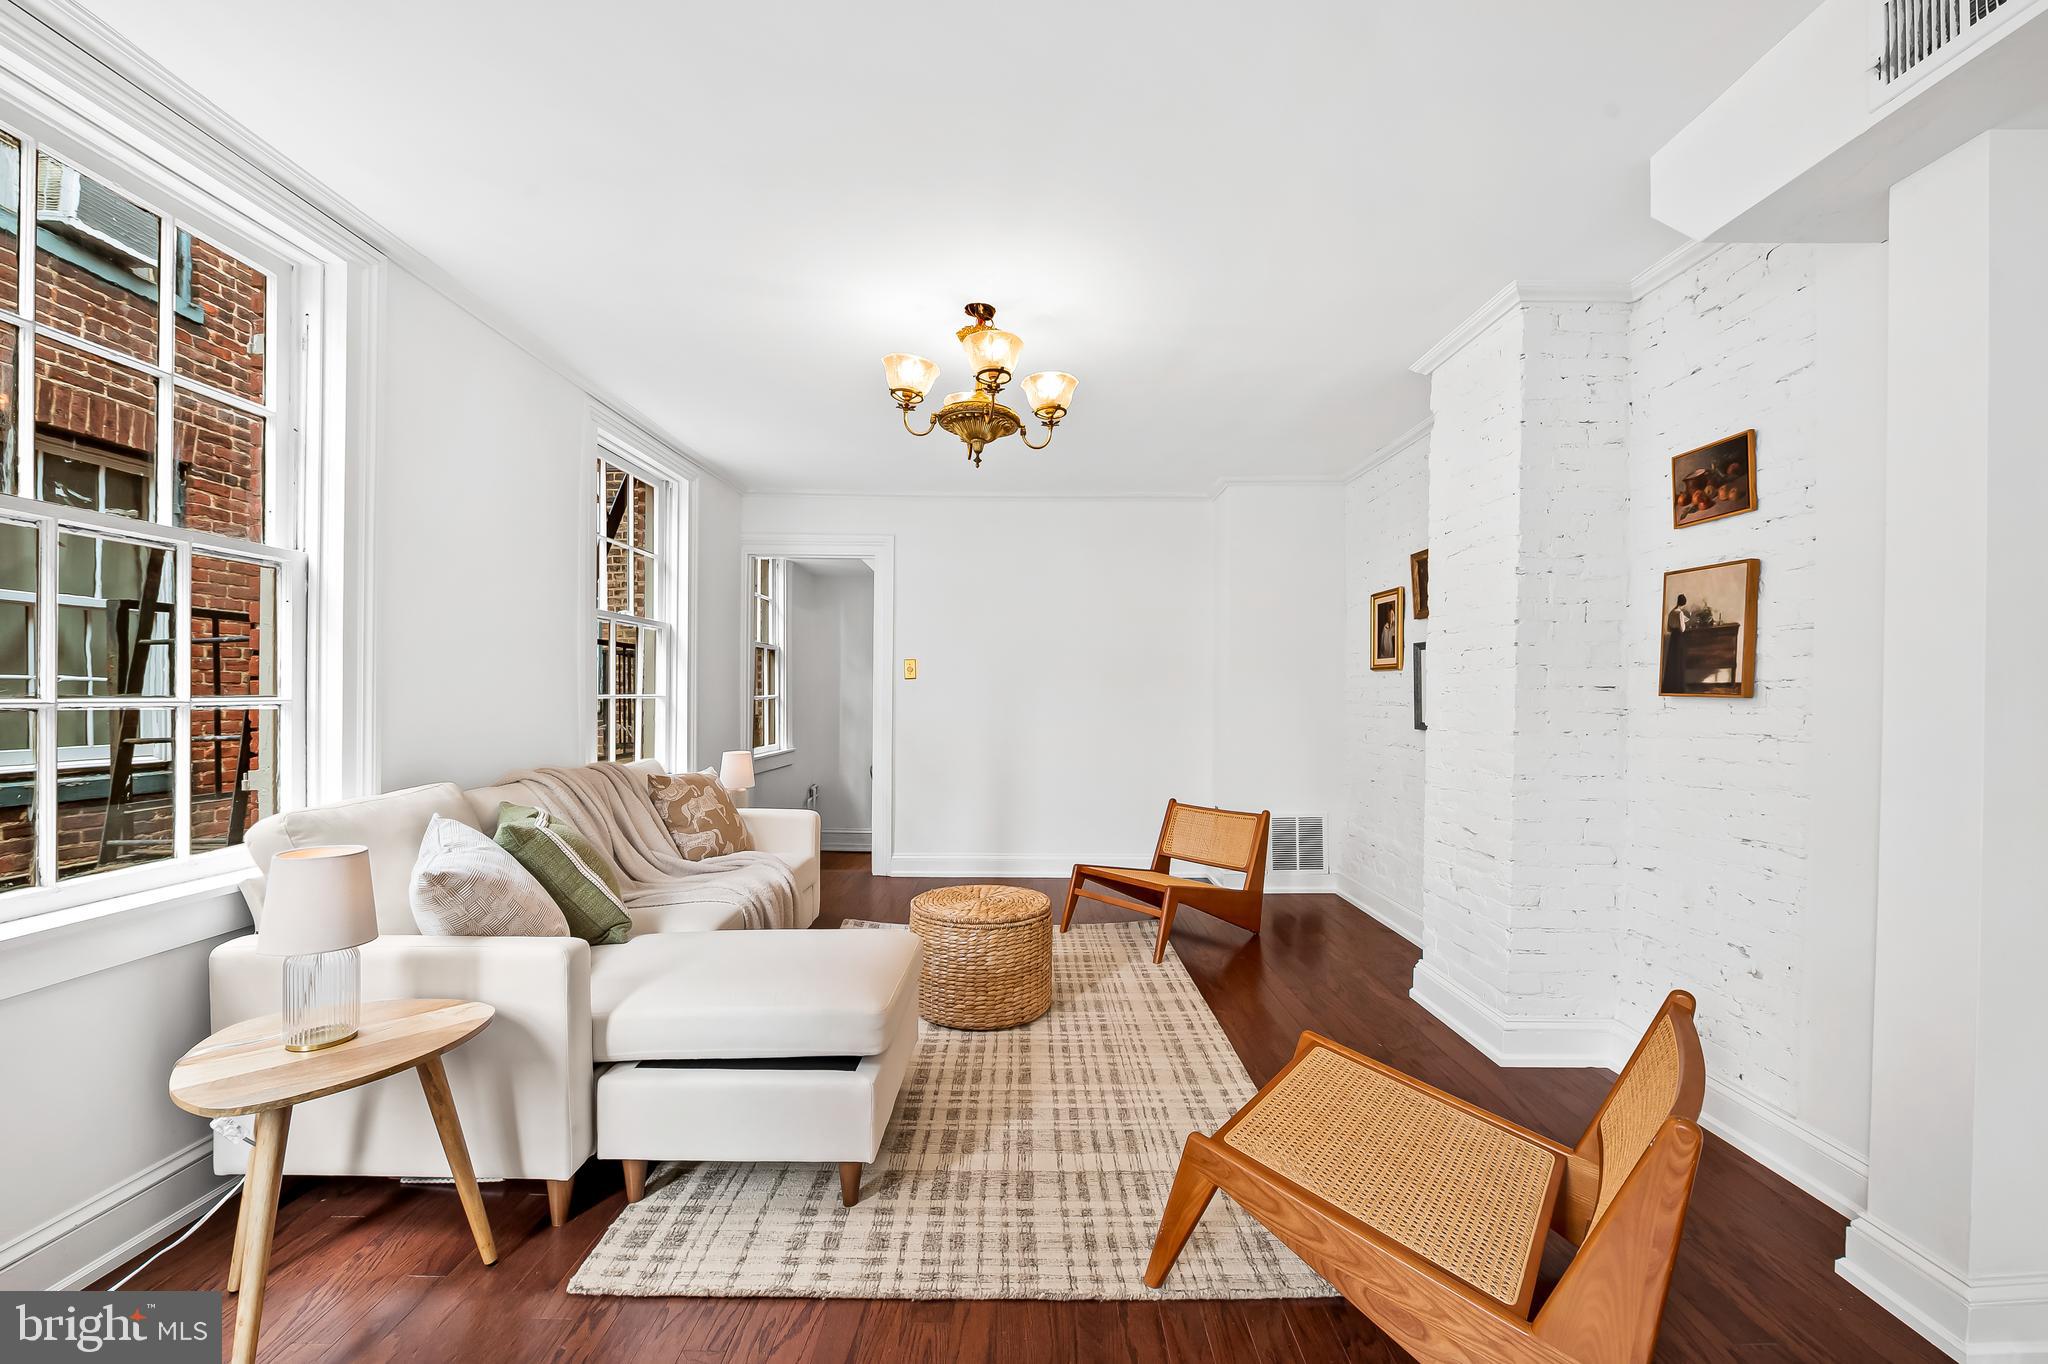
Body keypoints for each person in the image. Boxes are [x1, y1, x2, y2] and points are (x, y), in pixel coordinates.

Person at [1662, 592, 1689, 692]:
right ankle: (1679, 687)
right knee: (1679, 660)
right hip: (1679, 638)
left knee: (1673, 661)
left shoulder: (1671, 612)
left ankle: (1670, 686)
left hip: (1673, 638)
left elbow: (1668, 629)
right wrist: (1684, 623)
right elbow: (1682, 629)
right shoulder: (1680, 613)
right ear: (1684, 603)